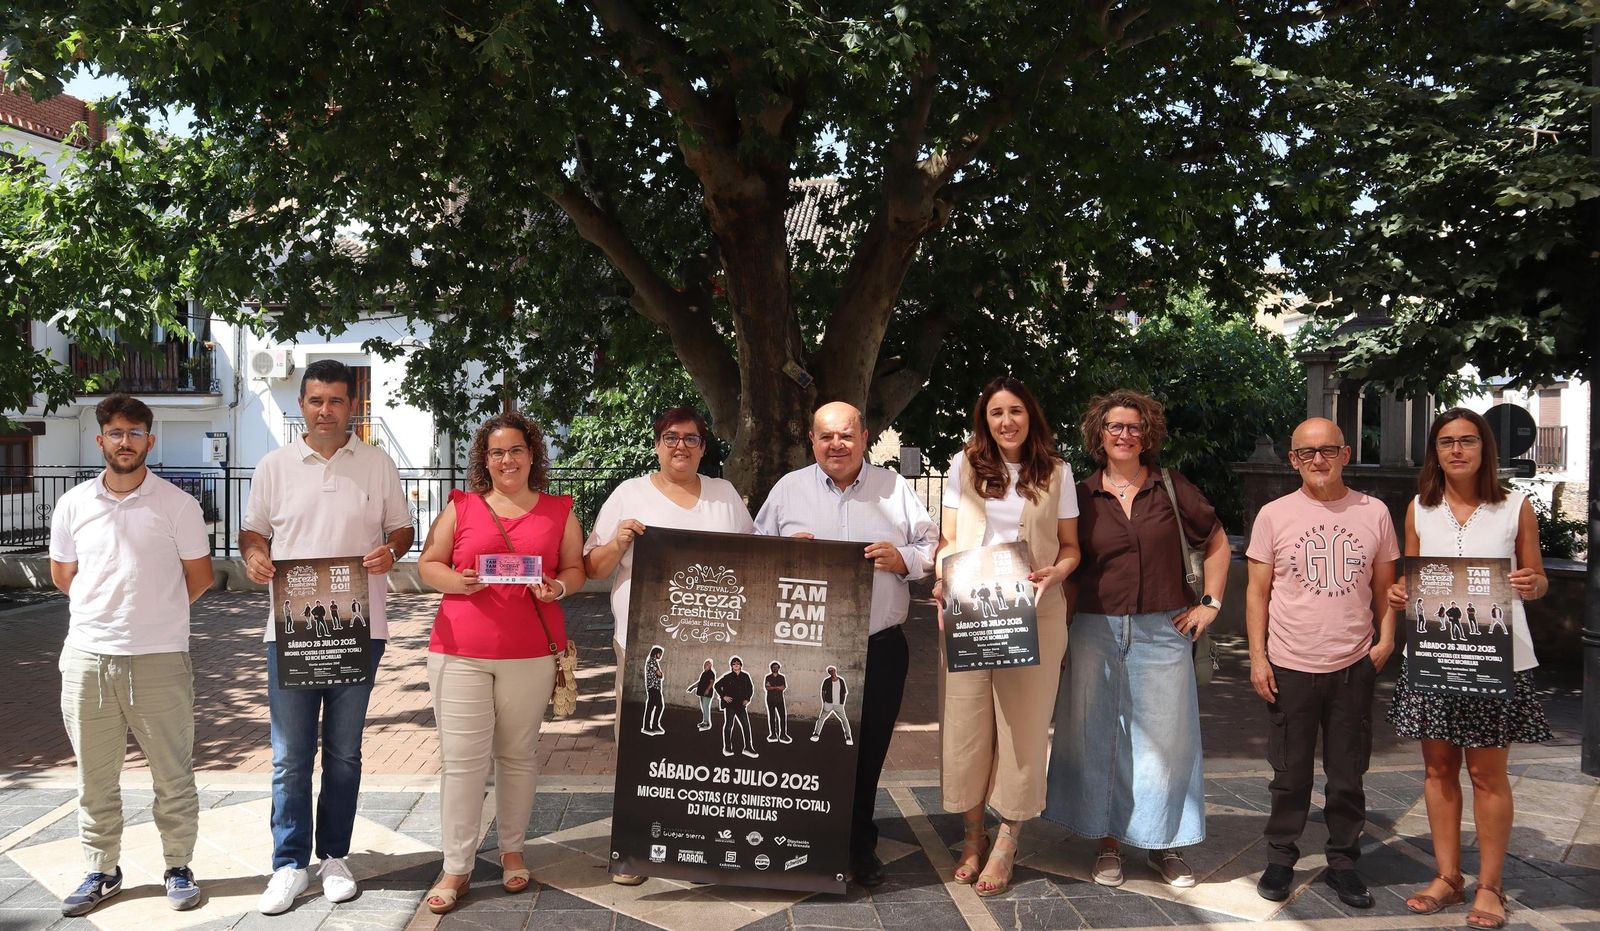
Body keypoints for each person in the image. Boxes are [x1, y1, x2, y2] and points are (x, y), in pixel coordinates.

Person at [240, 359, 414, 915]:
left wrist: (393, 550)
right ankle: (289, 865)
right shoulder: (273, 466)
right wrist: (254, 556)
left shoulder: (378, 463)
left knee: (343, 753)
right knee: (291, 756)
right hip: (290, 632)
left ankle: (335, 857)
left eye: (336, 401)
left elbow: (401, 526)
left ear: (352, 406)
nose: (325, 410)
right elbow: (253, 529)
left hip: (360, 630)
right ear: (302, 404)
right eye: (316, 400)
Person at [1043, 389, 1229, 890]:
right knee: (1098, 734)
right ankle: (1107, 841)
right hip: (1093, 628)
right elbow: (1065, 558)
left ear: (1148, 435)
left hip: (1163, 630)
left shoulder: (1171, 487)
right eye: (1115, 427)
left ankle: (1163, 843)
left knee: (1167, 741)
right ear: (1098, 436)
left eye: (1134, 427)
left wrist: (1209, 604)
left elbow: (1215, 542)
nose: (1124, 435)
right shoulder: (1080, 495)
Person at [755, 401, 936, 887]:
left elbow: (930, 547)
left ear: (865, 437)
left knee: (867, 749)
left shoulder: (895, 489)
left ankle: (859, 847)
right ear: (811, 440)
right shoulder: (788, 491)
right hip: (805, 651)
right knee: (803, 751)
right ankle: (802, 843)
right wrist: (787, 556)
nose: (836, 444)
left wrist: (902, 560)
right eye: (826, 436)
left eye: (846, 435)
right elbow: (755, 552)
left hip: (879, 645)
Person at [48, 395, 214, 917]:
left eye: (135, 432)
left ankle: (179, 867)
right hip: (87, 658)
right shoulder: (73, 504)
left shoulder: (178, 505)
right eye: (116, 432)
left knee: (172, 773)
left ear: (150, 439)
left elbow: (200, 577)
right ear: (101, 440)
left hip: (159, 657)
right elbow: (62, 576)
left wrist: (154, 612)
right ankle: (101, 870)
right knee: (94, 777)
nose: (125, 441)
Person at [1386, 408, 1550, 929]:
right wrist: (1399, 593)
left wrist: (1532, 585)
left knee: (1486, 773)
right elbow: (1410, 581)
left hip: (1495, 658)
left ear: (1485, 449)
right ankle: (1448, 876)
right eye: (1446, 442)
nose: (1456, 450)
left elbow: (1539, 578)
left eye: (1468, 441)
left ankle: (1491, 885)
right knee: (1437, 770)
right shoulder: (1417, 508)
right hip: (1433, 656)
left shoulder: (1516, 507)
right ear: (1435, 452)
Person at [415, 411, 585, 915]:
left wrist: (557, 587)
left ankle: (514, 850)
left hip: (531, 654)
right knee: (462, 764)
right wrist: (457, 581)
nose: (507, 459)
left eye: (516, 450)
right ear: (483, 460)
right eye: (496, 452)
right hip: (459, 653)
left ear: (533, 454)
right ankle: (457, 866)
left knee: (517, 758)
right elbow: (429, 563)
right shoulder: (462, 505)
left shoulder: (560, 511)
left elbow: (574, 569)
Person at [583, 406, 753, 885]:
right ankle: (635, 848)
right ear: (657, 443)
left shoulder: (723, 496)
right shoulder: (629, 493)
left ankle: (699, 842)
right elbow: (593, 568)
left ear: (704, 446)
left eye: (692, 438)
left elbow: (754, 556)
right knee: (639, 747)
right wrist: (618, 542)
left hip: (713, 649)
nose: (681, 446)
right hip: (641, 646)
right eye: (671, 437)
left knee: (702, 748)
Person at [933, 377, 1081, 897]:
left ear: (1030, 415)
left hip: (1035, 611)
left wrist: (1057, 574)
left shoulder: (1057, 472)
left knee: (1023, 727)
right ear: (985, 420)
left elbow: (1070, 547)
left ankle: (1008, 838)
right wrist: (941, 586)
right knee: (968, 723)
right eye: (996, 413)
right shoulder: (963, 466)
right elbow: (950, 539)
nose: (1006, 422)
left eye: (1015, 410)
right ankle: (972, 836)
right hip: (971, 607)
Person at [1246, 417, 1397, 908]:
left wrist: (1386, 640)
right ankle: (1281, 857)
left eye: (1327, 450)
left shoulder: (1374, 513)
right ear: (1292, 460)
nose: (1317, 460)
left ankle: (1343, 862)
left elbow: (1385, 588)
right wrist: (1257, 657)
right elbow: (1257, 592)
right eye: (1306, 453)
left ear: (1346, 454)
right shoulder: (1273, 514)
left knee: (1348, 771)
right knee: (1289, 772)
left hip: (1353, 662)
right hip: (1290, 662)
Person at [715, 657, 758, 758]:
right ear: (731, 666)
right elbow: (717, 685)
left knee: (746, 726)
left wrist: (748, 698)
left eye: (738, 663)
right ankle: (727, 747)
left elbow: (750, 688)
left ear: (741, 665)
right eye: (734, 664)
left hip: (741, 705)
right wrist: (723, 696)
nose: (736, 665)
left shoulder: (745, 676)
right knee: (729, 725)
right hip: (730, 705)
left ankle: (748, 747)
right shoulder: (728, 676)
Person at [812, 666, 851, 744]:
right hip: (828, 704)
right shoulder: (826, 681)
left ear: (835, 670)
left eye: (832, 670)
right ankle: (816, 734)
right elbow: (823, 692)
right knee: (821, 718)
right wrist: (824, 702)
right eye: (829, 671)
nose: (831, 672)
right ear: (828, 673)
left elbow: (844, 692)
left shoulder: (841, 680)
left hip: (838, 705)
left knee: (844, 719)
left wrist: (842, 703)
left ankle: (848, 737)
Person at [643, 647, 666, 735]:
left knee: (652, 707)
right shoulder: (652, 661)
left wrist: (660, 674)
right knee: (657, 706)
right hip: (653, 688)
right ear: (655, 653)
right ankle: (650, 726)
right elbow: (659, 674)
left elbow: (660, 675)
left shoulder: (653, 661)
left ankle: (651, 726)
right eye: (660, 653)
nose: (660, 655)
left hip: (654, 688)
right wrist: (660, 674)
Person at [687, 660, 716, 731]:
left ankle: (707, 723)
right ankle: (704, 721)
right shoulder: (704, 673)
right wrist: (692, 687)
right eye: (704, 664)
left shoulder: (711, 673)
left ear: (710, 666)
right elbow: (700, 682)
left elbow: (712, 682)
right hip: (701, 693)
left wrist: (707, 690)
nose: (705, 665)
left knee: (705, 707)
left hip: (707, 694)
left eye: (707, 664)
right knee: (703, 707)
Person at [765, 662, 790, 743]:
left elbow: (783, 687)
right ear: (771, 668)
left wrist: (773, 687)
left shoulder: (782, 677)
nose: (775, 668)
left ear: (779, 668)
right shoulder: (768, 677)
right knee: (772, 717)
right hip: (770, 699)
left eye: (776, 667)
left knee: (782, 717)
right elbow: (767, 688)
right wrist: (777, 687)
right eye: (773, 667)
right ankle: (773, 734)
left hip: (779, 700)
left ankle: (783, 735)